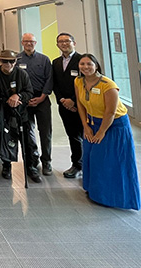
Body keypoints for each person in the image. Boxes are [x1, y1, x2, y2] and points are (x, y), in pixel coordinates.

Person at [74, 54, 140, 210]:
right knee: (92, 158)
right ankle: (94, 192)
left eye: (89, 64)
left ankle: (116, 198)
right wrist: (86, 126)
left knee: (110, 160)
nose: (85, 67)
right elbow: (80, 104)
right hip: (92, 122)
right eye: (82, 64)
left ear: (96, 65)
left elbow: (110, 112)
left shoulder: (108, 85)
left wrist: (101, 132)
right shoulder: (78, 81)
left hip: (114, 125)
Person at [0, 50, 41, 183]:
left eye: (11, 61)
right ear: (0, 61)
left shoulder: (22, 74)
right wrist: (7, 100)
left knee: (28, 141)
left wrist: (18, 96)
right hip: (4, 113)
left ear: (15, 61)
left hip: (21, 113)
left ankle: (31, 167)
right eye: (5, 61)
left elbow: (29, 92)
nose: (8, 64)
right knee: (6, 140)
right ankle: (6, 165)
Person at [17, 33, 53, 176]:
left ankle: (47, 161)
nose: (29, 44)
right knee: (27, 131)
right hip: (25, 99)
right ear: (22, 42)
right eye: (26, 41)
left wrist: (42, 97)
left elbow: (49, 80)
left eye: (31, 41)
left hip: (42, 98)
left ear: (35, 43)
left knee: (45, 132)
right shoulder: (17, 59)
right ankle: (32, 159)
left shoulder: (44, 59)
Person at [52, 33, 84, 178]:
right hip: (64, 105)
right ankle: (77, 165)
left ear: (74, 43)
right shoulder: (56, 62)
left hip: (81, 105)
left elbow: (86, 83)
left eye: (67, 41)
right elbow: (55, 84)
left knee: (85, 135)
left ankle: (87, 165)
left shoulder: (82, 60)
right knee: (73, 135)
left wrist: (73, 100)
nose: (64, 44)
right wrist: (62, 100)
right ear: (57, 45)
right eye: (61, 42)